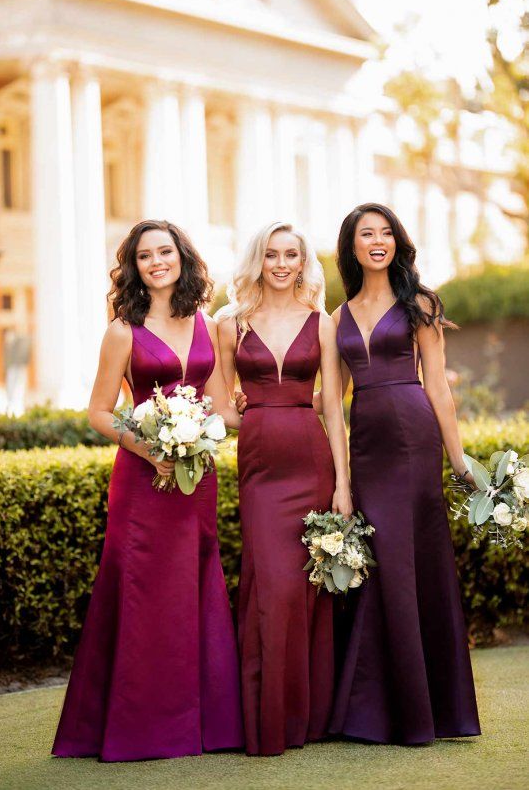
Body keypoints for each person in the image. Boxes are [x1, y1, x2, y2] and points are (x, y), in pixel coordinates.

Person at [52, 220, 243, 762]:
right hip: (143, 480)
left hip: (196, 477)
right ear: (134, 268)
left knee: (196, 584)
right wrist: (150, 449)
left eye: (165, 251)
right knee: (141, 591)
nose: (156, 261)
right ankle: (138, 728)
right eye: (144, 256)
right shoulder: (122, 330)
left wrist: (289, 403)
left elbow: (222, 407)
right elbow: (97, 411)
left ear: (182, 257)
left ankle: (205, 725)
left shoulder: (205, 321)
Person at [328, 202, 480, 745]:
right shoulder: (337, 316)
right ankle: (378, 709)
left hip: (416, 441)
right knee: (381, 562)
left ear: (397, 243)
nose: (377, 241)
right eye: (366, 233)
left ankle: (431, 711)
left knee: (416, 561)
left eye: (385, 233)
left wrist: (459, 462)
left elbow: (439, 387)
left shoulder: (418, 303)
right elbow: (331, 401)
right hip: (367, 444)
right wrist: (340, 480)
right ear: (351, 246)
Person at [216, 221, 351, 756]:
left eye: (290, 255)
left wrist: (343, 483)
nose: (280, 263)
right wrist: (246, 414)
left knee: (304, 590)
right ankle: (266, 719)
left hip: (311, 463)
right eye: (271, 254)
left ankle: (307, 718)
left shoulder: (321, 322)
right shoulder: (230, 324)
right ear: (258, 260)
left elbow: (334, 407)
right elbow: (220, 406)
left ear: (302, 263)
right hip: (260, 469)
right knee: (270, 588)